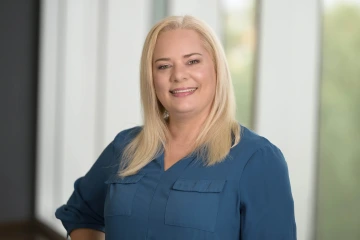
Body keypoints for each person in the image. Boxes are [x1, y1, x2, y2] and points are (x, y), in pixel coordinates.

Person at [55, 15, 297, 240]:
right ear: (151, 78)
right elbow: (81, 212)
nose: (179, 75)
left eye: (192, 61)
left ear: (216, 69)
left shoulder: (258, 159)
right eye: (163, 66)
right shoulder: (126, 147)